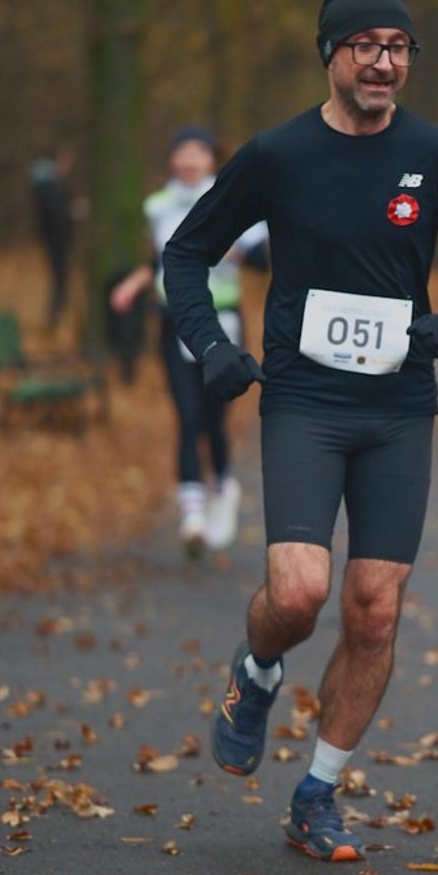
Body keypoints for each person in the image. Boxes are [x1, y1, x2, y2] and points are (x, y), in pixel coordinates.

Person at [163, 0, 438, 863]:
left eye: (398, 46)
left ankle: (318, 793)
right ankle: (256, 669)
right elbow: (186, 252)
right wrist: (210, 347)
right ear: (330, 55)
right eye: (365, 44)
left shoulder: (437, 155)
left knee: (374, 612)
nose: (383, 62)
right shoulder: (279, 154)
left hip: (399, 406)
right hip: (304, 400)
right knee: (298, 594)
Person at [110, 126, 268, 555]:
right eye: (181, 152)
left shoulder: (234, 198)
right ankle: (192, 515)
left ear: (212, 158)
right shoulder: (158, 205)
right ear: (171, 159)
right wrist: (133, 285)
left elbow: (262, 259)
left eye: (198, 152)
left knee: (214, 419)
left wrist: (227, 246)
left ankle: (222, 486)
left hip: (223, 317)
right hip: (174, 318)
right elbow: (159, 259)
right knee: (187, 414)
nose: (189, 160)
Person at [30, 142, 77, 328]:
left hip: (58, 239)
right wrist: (71, 212)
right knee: (58, 279)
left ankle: (56, 318)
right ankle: (53, 320)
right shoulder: (48, 185)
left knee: (60, 280)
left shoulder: (51, 183)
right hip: (55, 240)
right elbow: (54, 212)